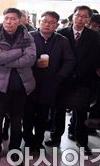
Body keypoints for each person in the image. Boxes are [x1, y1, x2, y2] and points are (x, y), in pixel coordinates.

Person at [46, 6, 100, 156]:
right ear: (73, 16)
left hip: (83, 80)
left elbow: (94, 59)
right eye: (78, 15)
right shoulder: (60, 33)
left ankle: (82, 141)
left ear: (88, 19)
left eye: (85, 16)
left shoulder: (94, 36)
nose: (81, 19)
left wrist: (78, 74)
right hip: (63, 80)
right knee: (57, 111)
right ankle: (55, 137)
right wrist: (63, 74)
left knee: (81, 113)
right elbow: (55, 57)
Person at [0, 8, 36, 165]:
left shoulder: (27, 36)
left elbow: (30, 59)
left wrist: (6, 59)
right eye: (6, 18)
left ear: (20, 20)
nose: (9, 21)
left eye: (13, 18)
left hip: (20, 86)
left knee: (16, 121)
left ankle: (14, 150)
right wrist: (19, 52)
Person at [23, 11, 75, 153]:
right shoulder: (29, 37)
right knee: (27, 114)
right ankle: (28, 140)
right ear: (39, 22)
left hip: (50, 84)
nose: (47, 24)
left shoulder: (62, 40)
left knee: (43, 115)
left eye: (52, 22)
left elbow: (69, 61)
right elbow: (20, 57)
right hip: (30, 83)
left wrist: (59, 77)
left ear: (57, 25)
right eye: (45, 21)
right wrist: (34, 64)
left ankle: (38, 141)